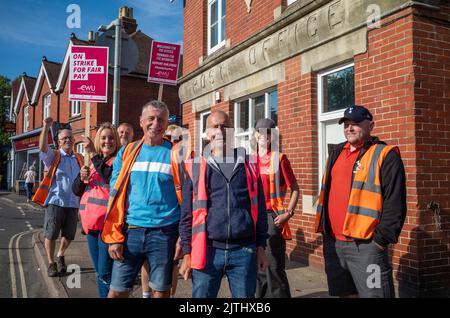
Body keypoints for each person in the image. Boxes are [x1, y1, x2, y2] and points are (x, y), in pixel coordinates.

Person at [315, 105, 407, 298]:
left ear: (371, 125)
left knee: (374, 295)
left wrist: (380, 241)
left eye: (355, 123)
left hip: (366, 246)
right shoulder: (336, 152)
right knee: (345, 294)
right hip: (334, 244)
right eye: (346, 124)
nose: (349, 128)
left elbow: (395, 202)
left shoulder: (385, 154)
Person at [179, 110, 269, 298]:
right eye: (215, 126)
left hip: (244, 251)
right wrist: (187, 253)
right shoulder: (195, 166)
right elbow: (187, 214)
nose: (220, 131)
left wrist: (261, 246)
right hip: (207, 251)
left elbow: (259, 209)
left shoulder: (250, 164)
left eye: (225, 126)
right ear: (207, 133)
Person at [101, 100, 184, 298]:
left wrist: (184, 237)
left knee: (160, 292)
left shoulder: (177, 153)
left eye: (161, 120)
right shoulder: (127, 152)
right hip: (131, 231)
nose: (156, 124)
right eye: (151, 118)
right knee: (117, 292)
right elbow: (115, 198)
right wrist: (114, 238)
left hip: (165, 233)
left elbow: (188, 198)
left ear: (166, 123)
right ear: (141, 121)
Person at [72, 122, 119, 298]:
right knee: (100, 272)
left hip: (108, 224)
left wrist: (91, 153)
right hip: (91, 225)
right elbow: (76, 190)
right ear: (99, 140)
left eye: (111, 137)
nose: (108, 141)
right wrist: (81, 178)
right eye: (104, 138)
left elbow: (107, 174)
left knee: (106, 272)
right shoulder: (93, 162)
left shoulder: (117, 160)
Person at [253, 118, 300, 298]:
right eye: (260, 132)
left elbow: (295, 188)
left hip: (272, 217)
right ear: (255, 135)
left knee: (273, 265)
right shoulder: (249, 159)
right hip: (253, 217)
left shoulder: (279, 158)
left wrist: (288, 213)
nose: (263, 136)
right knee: (256, 267)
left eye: (268, 133)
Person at [33, 117, 83, 277]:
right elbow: (42, 148)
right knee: (51, 234)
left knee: (69, 235)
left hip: (73, 203)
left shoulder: (79, 158)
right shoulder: (53, 156)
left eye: (70, 138)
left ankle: (60, 254)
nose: (68, 140)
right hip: (55, 201)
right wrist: (46, 127)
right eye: (64, 138)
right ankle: (51, 262)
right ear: (58, 141)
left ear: (74, 140)